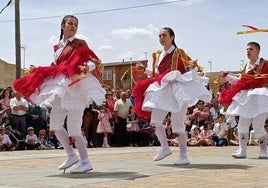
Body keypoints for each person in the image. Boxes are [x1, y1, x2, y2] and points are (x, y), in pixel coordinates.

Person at [13, 15, 106, 173]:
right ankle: (71, 155)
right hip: (62, 88)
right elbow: (56, 67)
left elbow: (92, 61)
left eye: (76, 24)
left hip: (76, 87)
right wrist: (38, 69)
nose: (73, 26)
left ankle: (85, 161)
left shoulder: (80, 43)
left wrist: (87, 68)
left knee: (74, 128)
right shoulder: (58, 47)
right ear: (62, 26)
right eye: (70, 23)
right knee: (55, 125)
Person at [132, 27, 212, 165]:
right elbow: (157, 75)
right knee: (155, 121)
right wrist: (144, 70)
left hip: (177, 90)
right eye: (159, 36)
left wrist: (192, 66)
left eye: (164, 35)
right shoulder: (157, 54)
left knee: (177, 124)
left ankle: (183, 155)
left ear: (172, 37)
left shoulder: (179, 52)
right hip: (162, 89)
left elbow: (192, 68)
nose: (161, 38)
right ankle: (165, 148)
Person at [219, 41, 268, 158]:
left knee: (258, 127)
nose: (248, 51)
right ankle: (242, 150)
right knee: (242, 124)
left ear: (258, 51)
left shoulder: (265, 64)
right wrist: (227, 76)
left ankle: (263, 151)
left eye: (251, 49)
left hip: (260, 98)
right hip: (246, 99)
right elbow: (239, 82)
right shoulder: (245, 67)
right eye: (247, 49)